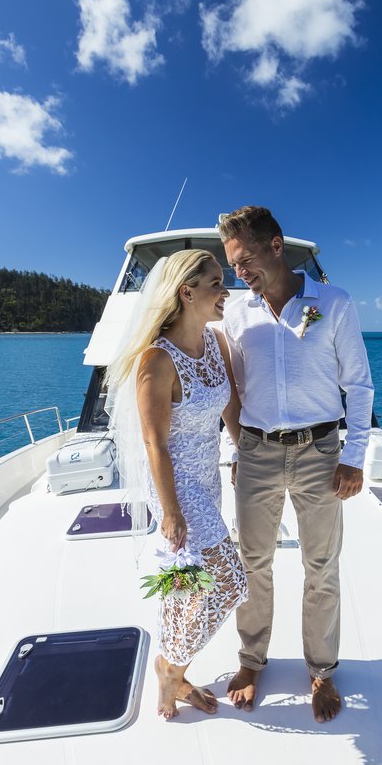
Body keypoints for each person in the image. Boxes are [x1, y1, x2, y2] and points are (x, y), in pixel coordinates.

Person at [219, 206, 373, 723]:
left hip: (321, 452)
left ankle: (321, 669)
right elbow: (234, 391)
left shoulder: (333, 302)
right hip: (257, 451)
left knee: (321, 567)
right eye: (233, 265)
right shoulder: (237, 313)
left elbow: (359, 385)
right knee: (252, 563)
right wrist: (238, 450)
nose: (239, 272)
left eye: (245, 259)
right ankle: (251, 660)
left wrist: (353, 457)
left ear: (276, 245)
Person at [106, 249, 249, 720]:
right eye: (216, 283)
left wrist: (242, 451)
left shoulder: (215, 341)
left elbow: (230, 405)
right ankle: (170, 667)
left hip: (208, 476)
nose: (225, 291)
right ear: (187, 292)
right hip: (175, 484)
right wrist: (169, 511)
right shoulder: (156, 360)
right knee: (227, 580)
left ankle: (175, 672)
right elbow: (154, 443)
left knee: (184, 582)